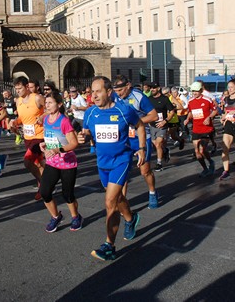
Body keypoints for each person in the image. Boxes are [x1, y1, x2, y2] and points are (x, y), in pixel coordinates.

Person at [80, 76, 146, 261]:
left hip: (121, 160)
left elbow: (140, 126)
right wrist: (82, 138)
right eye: (92, 91)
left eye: (98, 91)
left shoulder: (123, 109)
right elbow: (86, 133)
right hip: (102, 163)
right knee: (118, 199)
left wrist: (141, 148)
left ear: (109, 92)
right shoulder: (90, 113)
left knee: (109, 201)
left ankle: (109, 245)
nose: (94, 95)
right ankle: (130, 218)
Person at [111, 75, 159, 209]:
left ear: (128, 86)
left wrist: (136, 122)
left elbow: (153, 116)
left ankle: (152, 192)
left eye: (120, 90)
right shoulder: (114, 97)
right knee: (123, 171)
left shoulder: (139, 97)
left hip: (141, 137)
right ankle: (122, 201)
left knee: (145, 171)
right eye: (116, 91)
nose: (118, 94)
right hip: (124, 138)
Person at [39, 91, 82, 232]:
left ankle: (75, 217)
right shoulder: (46, 119)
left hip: (67, 162)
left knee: (67, 194)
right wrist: (44, 144)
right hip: (52, 161)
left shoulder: (64, 121)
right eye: (46, 103)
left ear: (59, 104)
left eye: (50, 103)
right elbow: (51, 137)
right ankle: (56, 216)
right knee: (45, 192)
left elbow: (73, 143)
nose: (47, 105)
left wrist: (58, 150)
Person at [9, 76, 45, 200]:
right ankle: (44, 184)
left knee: (27, 161)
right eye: (16, 89)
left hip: (39, 136)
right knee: (38, 163)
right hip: (27, 136)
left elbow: (52, 110)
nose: (18, 91)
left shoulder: (37, 98)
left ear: (26, 87)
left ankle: (44, 185)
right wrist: (15, 122)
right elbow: (22, 118)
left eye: (20, 88)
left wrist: (42, 117)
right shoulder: (18, 101)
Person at [185, 82, 217, 177]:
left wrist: (209, 118)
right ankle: (205, 169)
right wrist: (187, 118)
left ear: (201, 91)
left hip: (206, 128)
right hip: (196, 129)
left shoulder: (207, 100)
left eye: (196, 91)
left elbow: (215, 110)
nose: (194, 93)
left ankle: (211, 162)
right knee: (197, 152)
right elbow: (190, 112)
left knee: (202, 150)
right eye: (193, 91)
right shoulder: (190, 101)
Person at [147, 82, 176, 172]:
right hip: (152, 125)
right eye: (151, 88)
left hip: (162, 125)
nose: (152, 89)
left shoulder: (164, 99)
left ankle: (159, 163)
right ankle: (165, 150)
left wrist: (165, 121)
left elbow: (172, 111)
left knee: (158, 144)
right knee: (155, 144)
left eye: (154, 88)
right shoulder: (148, 99)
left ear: (158, 88)